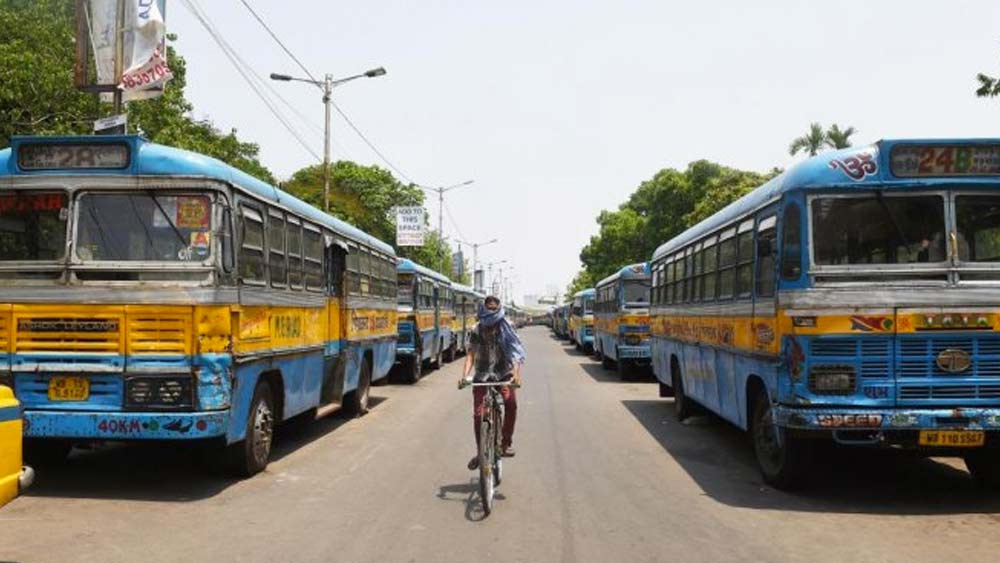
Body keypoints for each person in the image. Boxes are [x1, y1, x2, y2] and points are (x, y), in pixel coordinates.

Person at [460, 295, 526, 470]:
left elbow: (515, 354)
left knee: (511, 403)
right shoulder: (476, 329)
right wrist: (464, 376)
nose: (490, 312)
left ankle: (505, 444)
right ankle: (480, 452)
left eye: (493, 309)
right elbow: (471, 354)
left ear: (498, 310)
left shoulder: (507, 327)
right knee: (478, 415)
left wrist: (516, 375)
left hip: (503, 374)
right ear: (483, 310)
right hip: (482, 376)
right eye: (487, 309)